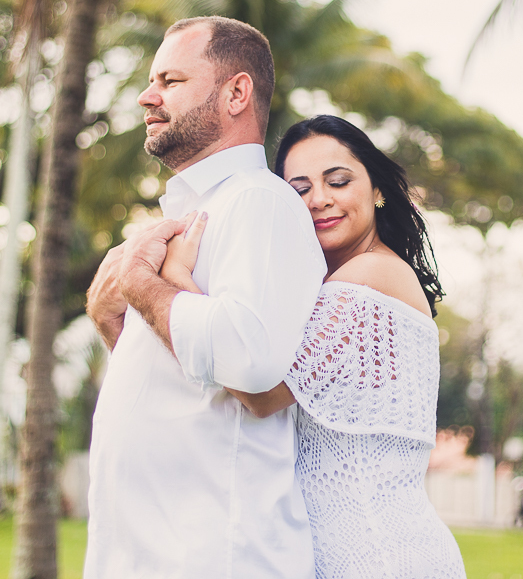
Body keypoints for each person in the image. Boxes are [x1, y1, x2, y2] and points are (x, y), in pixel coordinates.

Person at [161, 114, 467, 579]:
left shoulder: (371, 277)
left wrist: (175, 282)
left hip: (380, 557)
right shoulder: (329, 284)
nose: (319, 199)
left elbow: (260, 392)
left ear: (377, 189)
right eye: (299, 189)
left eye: (338, 181)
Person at [83, 16, 327, 578]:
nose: (147, 96)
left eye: (169, 80)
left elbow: (250, 359)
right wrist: (110, 321)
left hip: (214, 556)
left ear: (236, 92)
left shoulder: (257, 204)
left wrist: (142, 287)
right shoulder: (191, 213)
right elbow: (180, 379)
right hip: (149, 555)